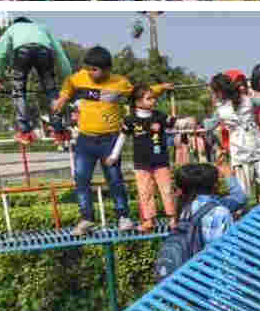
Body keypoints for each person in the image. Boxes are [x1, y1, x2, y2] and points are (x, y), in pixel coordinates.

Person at [51, 46, 173, 235]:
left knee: (115, 179)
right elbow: (69, 86)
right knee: (81, 179)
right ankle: (86, 219)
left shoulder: (120, 83)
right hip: (85, 140)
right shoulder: (79, 78)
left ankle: (123, 217)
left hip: (110, 140)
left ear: (107, 69)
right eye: (88, 68)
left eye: (94, 69)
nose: (89, 72)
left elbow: (140, 94)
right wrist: (63, 98)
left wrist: (161, 88)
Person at [206, 69, 260, 204]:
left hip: (240, 152)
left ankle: (246, 214)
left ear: (219, 92)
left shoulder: (221, 110)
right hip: (257, 147)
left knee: (244, 193)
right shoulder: (247, 100)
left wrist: (207, 118)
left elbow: (208, 126)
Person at [106, 83, 179, 232]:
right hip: (141, 163)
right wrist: (114, 156)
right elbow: (122, 138)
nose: (153, 100)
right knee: (145, 192)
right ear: (138, 102)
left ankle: (173, 218)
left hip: (161, 162)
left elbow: (175, 123)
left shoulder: (159, 116)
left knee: (166, 190)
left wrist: (185, 120)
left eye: (153, 98)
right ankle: (148, 220)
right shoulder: (130, 120)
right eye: (149, 98)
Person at [0, 16, 73, 144]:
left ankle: (25, 131)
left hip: (22, 52)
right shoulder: (42, 28)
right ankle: (58, 130)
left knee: (18, 92)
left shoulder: (12, 28)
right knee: (51, 91)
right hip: (44, 52)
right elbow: (60, 53)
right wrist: (68, 77)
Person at [173, 162, 236, 246]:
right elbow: (228, 247)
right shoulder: (220, 211)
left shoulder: (184, 208)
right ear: (215, 185)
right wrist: (229, 175)